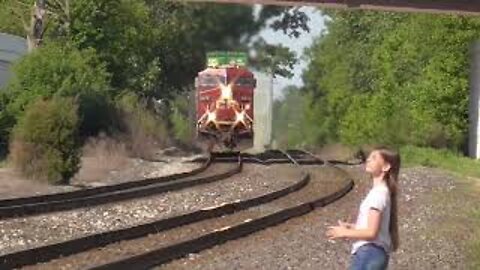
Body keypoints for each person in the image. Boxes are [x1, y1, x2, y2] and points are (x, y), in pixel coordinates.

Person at [326, 147, 400, 270]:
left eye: (374, 158)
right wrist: (353, 227)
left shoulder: (378, 194)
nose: (368, 159)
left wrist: (343, 232)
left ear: (386, 167)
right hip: (374, 254)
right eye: (369, 157)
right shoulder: (382, 192)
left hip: (369, 253)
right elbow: (375, 228)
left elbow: (371, 232)